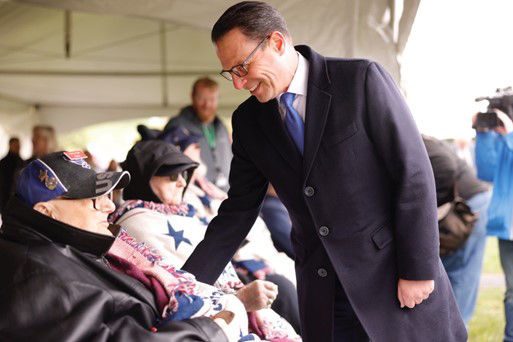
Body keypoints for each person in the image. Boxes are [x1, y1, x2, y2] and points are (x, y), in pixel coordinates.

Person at [181, 2, 467, 341]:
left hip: (391, 276)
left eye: (242, 67)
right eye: (231, 73)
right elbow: (237, 211)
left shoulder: (360, 80)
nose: (239, 85)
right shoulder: (248, 121)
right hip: (323, 291)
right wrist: (184, 285)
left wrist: (417, 270)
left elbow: (413, 175)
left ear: (276, 42)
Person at [0, 150, 243, 341]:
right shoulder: (36, 280)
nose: (110, 207)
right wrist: (207, 331)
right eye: (94, 200)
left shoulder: (65, 246)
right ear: (46, 212)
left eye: (108, 196)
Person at [114, 140, 300, 338]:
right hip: (209, 323)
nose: (182, 182)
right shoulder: (137, 223)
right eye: (171, 176)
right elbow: (176, 292)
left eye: (184, 174)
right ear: (145, 178)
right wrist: (239, 300)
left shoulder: (180, 212)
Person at [423, 135, 491, 324]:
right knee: (446, 275)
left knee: (459, 277)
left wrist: (425, 211)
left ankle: (454, 333)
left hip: (466, 207)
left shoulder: (412, 139)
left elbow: (445, 167)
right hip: (463, 203)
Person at [473, 109, 513, 341]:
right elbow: (486, 171)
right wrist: (484, 134)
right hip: (508, 228)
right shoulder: (504, 141)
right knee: (512, 290)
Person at [164, 77, 232, 191]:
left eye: (212, 99)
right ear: (193, 97)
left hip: (224, 194)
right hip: (194, 194)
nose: (207, 104)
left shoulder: (221, 128)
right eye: (202, 99)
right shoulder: (177, 126)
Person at [0, 137, 23, 213]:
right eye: (15, 145)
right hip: (5, 197)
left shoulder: (22, 162)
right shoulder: (3, 163)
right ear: (10, 145)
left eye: (18, 145)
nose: (18, 148)